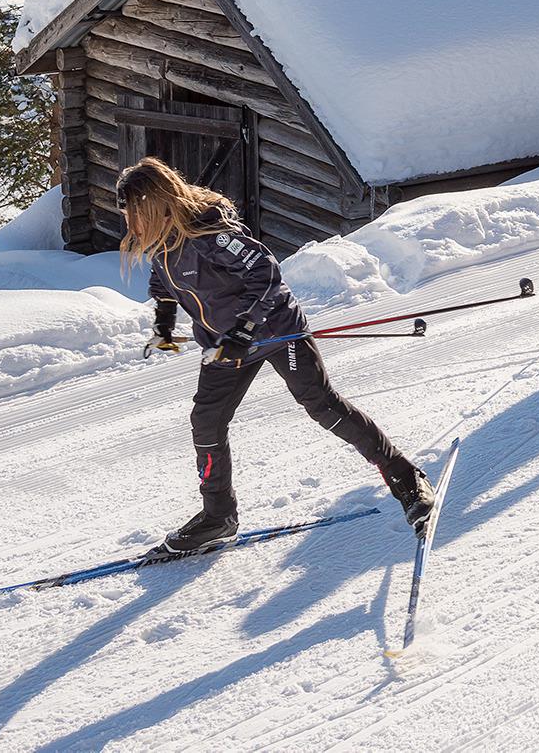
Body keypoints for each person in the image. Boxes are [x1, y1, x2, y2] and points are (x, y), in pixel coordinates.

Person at [122, 156, 436, 553]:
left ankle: (406, 477)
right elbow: (162, 279)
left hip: (273, 330)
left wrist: (246, 328)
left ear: (154, 205)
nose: (130, 223)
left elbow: (267, 274)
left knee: (322, 405)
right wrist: (164, 323)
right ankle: (218, 517)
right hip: (227, 343)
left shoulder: (213, 235)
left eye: (132, 212)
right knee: (206, 420)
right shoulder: (165, 242)